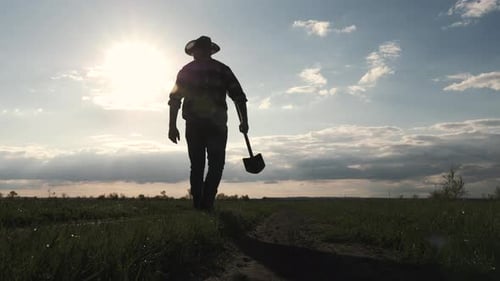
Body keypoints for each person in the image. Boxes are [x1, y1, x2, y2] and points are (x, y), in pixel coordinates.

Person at [168, 36, 249, 210]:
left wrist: (172, 126)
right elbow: (239, 97)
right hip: (215, 125)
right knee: (214, 164)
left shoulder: (187, 71)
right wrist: (244, 121)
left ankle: (201, 204)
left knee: (198, 165)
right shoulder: (222, 69)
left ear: (198, 51)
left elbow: (175, 99)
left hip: (199, 125)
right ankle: (206, 203)